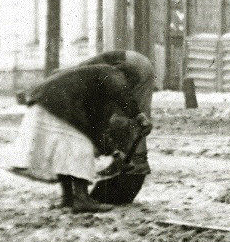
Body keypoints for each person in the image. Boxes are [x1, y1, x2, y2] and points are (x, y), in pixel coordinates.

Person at [8, 59, 150, 212]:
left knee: (64, 154)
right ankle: (81, 199)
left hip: (45, 103)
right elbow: (118, 93)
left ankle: (68, 199)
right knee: (82, 147)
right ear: (128, 77)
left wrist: (113, 153)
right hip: (58, 105)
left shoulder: (94, 83)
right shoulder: (112, 73)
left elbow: (97, 127)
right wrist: (138, 115)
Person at [84, 50, 157, 205]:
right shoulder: (79, 74)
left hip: (132, 67)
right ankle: (131, 164)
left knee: (126, 121)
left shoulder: (78, 80)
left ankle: (134, 167)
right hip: (138, 63)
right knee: (131, 118)